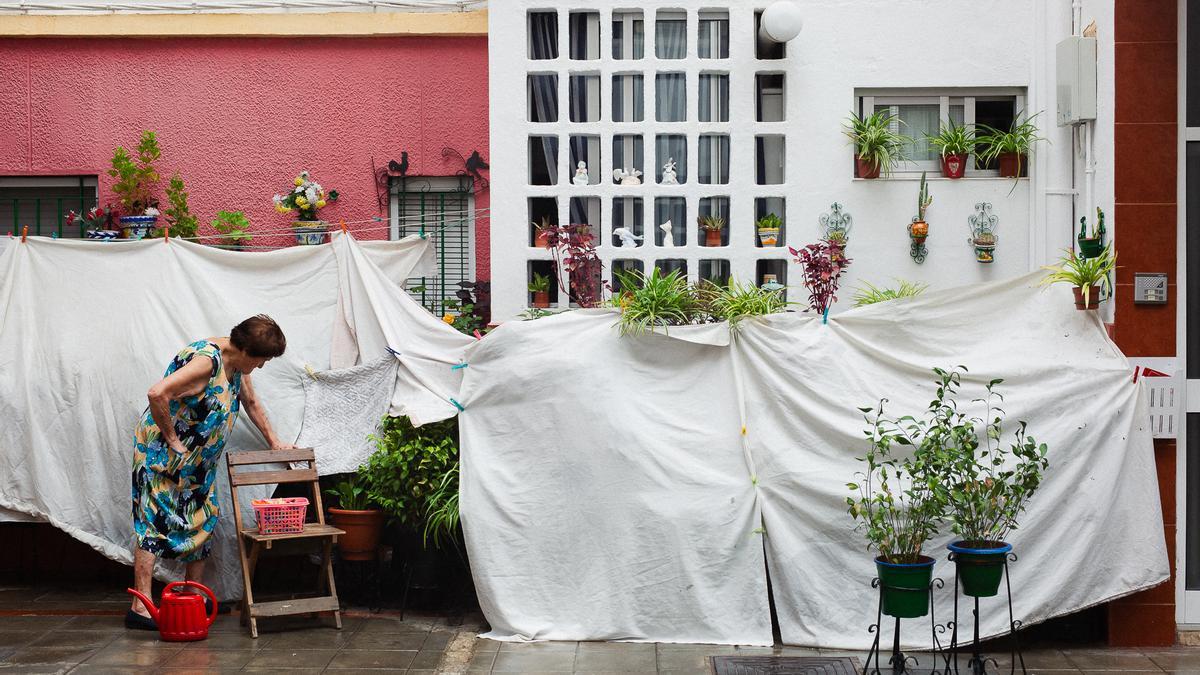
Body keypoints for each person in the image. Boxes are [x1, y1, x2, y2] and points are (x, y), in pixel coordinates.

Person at [127, 315, 293, 630]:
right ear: (245, 350)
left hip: (198, 463)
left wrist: (275, 442)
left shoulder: (238, 365)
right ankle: (140, 606)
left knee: (204, 518)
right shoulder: (207, 362)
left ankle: (193, 596)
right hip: (162, 458)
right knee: (153, 523)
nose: (261, 366)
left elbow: (252, 401)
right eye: (261, 360)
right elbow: (157, 393)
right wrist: (173, 440)